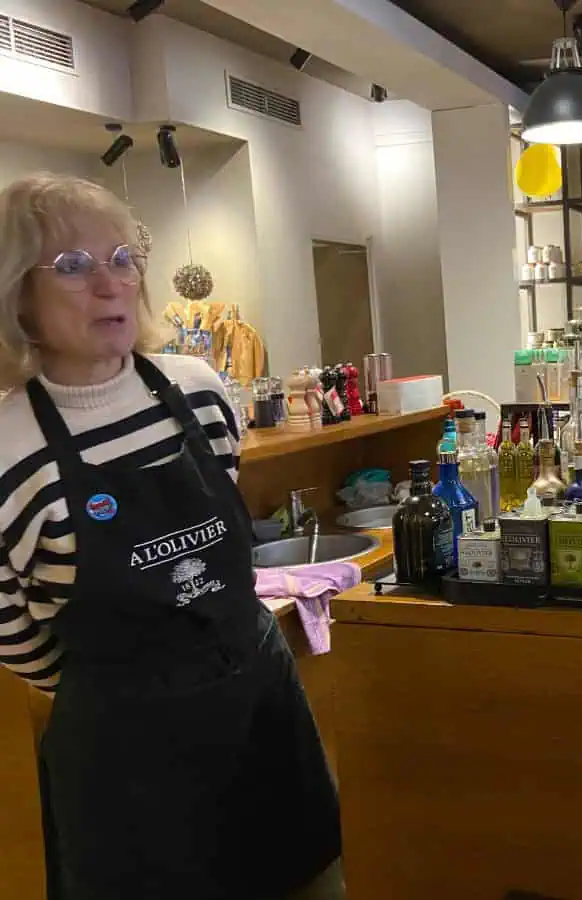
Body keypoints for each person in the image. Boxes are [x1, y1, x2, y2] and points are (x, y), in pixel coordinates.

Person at [0, 173, 343, 899]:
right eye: (71, 266)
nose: (110, 284)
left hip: (258, 703)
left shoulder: (199, 389)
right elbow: (13, 635)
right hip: (126, 759)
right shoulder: (7, 446)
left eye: (123, 258)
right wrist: (125, 689)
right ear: (14, 297)